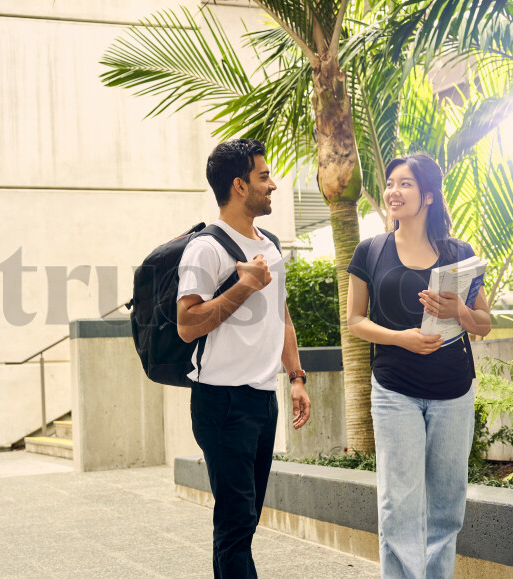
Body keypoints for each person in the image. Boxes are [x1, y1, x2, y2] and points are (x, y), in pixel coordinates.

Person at [346, 153, 491, 579]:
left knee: (447, 506)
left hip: (453, 392)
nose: (393, 191)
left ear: (427, 195)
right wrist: (401, 338)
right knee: (399, 506)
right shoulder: (370, 250)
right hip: (395, 391)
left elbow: (483, 325)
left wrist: (459, 310)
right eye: (391, 183)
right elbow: (354, 320)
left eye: (405, 184)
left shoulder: (459, 253)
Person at [176, 138, 311, 578]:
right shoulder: (205, 249)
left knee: (244, 522)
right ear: (239, 186)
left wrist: (295, 377)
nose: (272, 185)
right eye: (263, 177)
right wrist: (243, 286)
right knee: (236, 523)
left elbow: (282, 316)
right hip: (221, 401)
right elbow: (187, 324)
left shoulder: (268, 243)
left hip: (260, 397)